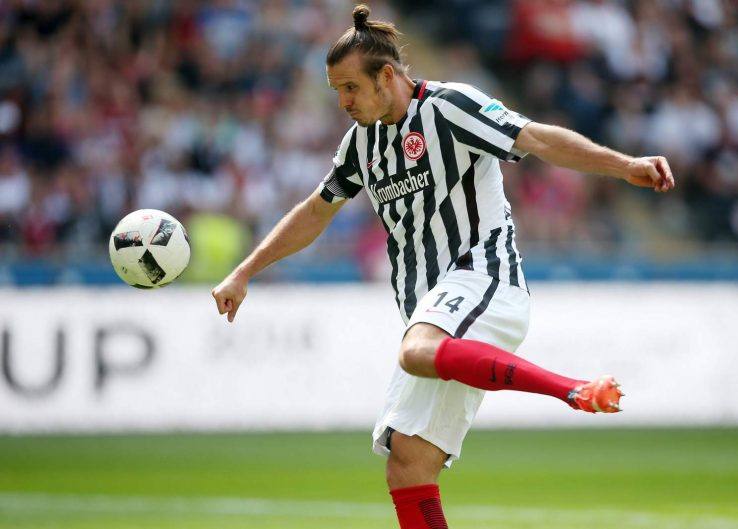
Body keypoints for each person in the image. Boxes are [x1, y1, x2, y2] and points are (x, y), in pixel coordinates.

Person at [211, 5, 675, 528]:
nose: (342, 102)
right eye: (336, 90)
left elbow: (538, 138)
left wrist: (626, 165)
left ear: (387, 76)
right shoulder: (361, 144)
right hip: (434, 311)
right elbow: (317, 210)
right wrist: (244, 272)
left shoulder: (451, 106)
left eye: (350, 87)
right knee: (407, 464)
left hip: (484, 278)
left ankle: (570, 388)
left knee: (415, 352)